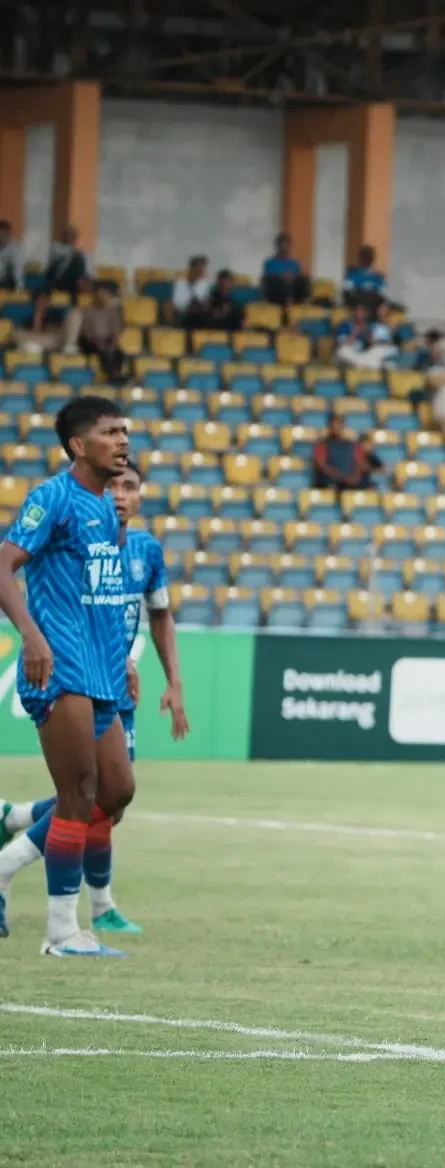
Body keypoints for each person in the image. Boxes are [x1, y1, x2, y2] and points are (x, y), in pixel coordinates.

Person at [0, 460, 190, 938]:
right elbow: (72, 601)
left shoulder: (146, 551)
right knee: (90, 794)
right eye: (116, 485)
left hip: (113, 680)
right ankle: (78, 913)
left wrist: (170, 679)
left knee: (111, 796)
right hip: (78, 673)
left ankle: (16, 819)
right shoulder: (79, 537)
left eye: (131, 486)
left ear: (143, 494)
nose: (121, 494)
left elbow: (160, 615)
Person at [0, 397, 137, 956]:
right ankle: (62, 933)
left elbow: (101, 591)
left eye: (125, 430)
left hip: (102, 669)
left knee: (116, 791)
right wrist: (31, 637)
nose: (123, 440)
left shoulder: (106, 507)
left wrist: (123, 657)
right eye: (110, 432)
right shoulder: (52, 498)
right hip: (60, 666)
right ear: (79, 445)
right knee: (78, 793)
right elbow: (3, 563)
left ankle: (8, 855)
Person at [69, 282, 129, 384]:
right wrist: (97, 342)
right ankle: (112, 375)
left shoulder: (112, 312)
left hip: (106, 340)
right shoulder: (88, 311)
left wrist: (111, 343)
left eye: (104, 296)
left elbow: (115, 331)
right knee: (102, 352)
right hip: (90, 342)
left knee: (119, 353)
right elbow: (86, 332)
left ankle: (116, 373)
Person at [311, 416, 381, 491]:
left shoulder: (351, 445)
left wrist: (355, 477)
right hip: (330, 482)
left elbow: (359, 463)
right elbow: (321, 465)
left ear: (342, 426)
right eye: (334, 425)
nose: (336, 428)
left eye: (339, 425)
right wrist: (341, 477)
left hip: (350, 482)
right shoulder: (322, 444)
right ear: (329, 426)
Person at [260, 233, 310, 306]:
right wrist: (282, 278)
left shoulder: (294, 264)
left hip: (292, 292)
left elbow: (298, 281)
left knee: (304, 279)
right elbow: (266, 281)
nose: (285, 248)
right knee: (276, 282)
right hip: (276, 294)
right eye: (282, 245)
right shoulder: (269, 263)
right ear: (277, 246)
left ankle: (298, 306)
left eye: (287, 245)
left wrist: (291, 279)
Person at [342, 245, 388, 312]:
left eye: (369, 257)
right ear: (360, 258)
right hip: (357, 306)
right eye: (364, 257)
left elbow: (383, 295)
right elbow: (347, 292)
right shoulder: (351, 274)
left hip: (374, 307)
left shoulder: (379, 277)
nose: (367, 259)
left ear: (373, 258)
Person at [170, 255, 213, 325]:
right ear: (191, 268)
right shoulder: (180, 283)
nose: (200, 270)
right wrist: (190, 306)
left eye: (202, 268)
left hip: (201, 315)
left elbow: (206, 302)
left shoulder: (205, 285)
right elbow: (177, 304)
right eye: (198, 268)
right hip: (184, 315)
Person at [0, 219, 21, 290]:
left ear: (9, 233)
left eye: (5, 235)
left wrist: (19, 286)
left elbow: (18, 267)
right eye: (1, 235)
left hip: (8, 282)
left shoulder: (15, 247)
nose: (2, 237)